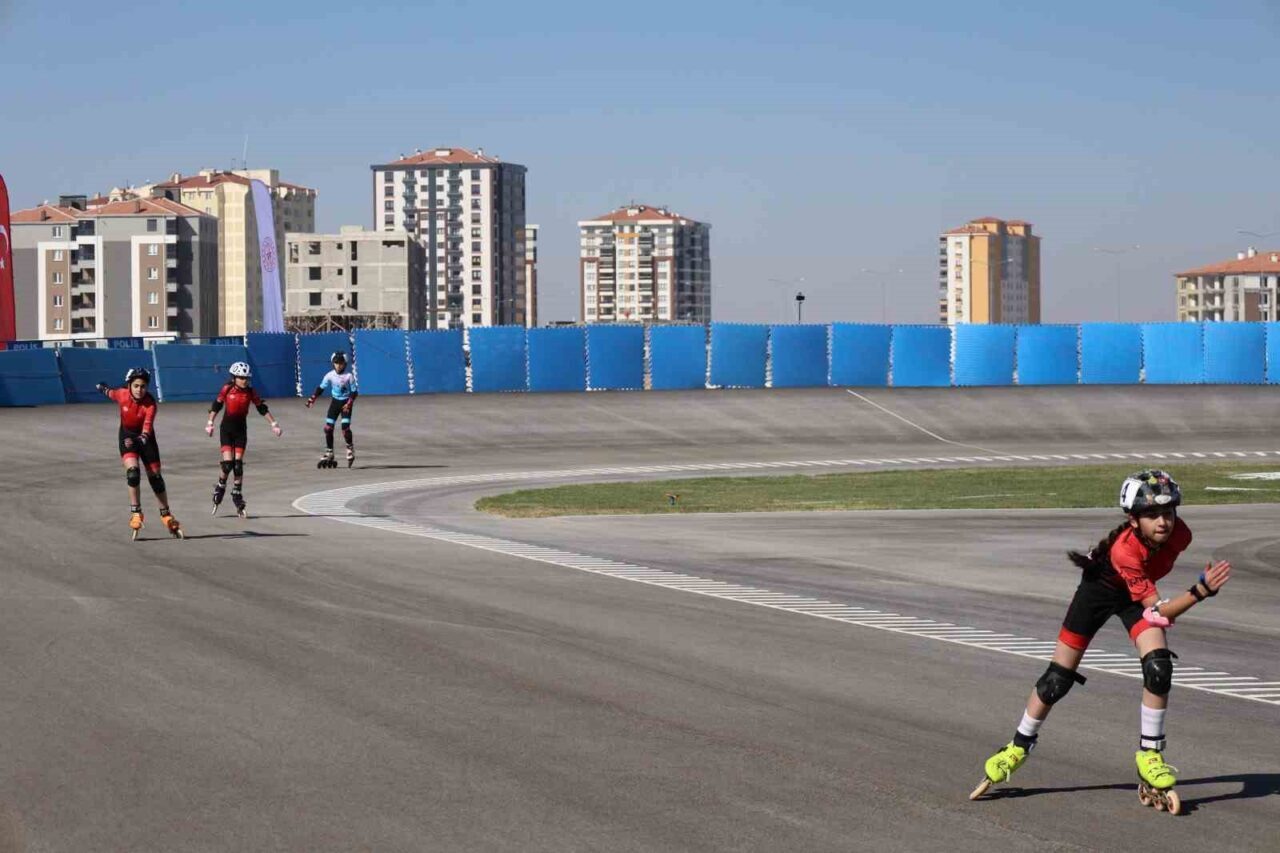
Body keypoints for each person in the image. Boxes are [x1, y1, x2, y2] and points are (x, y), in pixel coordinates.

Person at [971, 470, 1231, 813]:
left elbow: (1151, 606)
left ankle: (1150, 756)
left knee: (1159, 667)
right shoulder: (1125, 551)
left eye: (1168, 513)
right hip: (1099, 591)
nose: (1163, 522)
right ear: (1133, 520)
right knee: (1056, 681)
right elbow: (1159, 613)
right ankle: (1018, 746)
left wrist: (1191, 591)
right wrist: (1200, 591)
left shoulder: (1181, 534)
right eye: (1152, 514)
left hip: (1135, 596)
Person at [95, 366, 183, 540]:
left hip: (145, 439)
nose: (139, 390)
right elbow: (110, 393)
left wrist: (138, 440)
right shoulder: (122, 394)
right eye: (136, 386)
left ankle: (166, 514)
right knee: (133, 474)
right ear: (129, 385)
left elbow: (146, 430)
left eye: (143, 386)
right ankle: (136, 513)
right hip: (126, 436)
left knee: (156, 479)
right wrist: (103, 388)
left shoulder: (150, 404)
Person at [205, 361, 282, 517]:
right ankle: (220, 487)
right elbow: (216, 405)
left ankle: (237, 494)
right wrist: (210, 423)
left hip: (241, 431)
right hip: (226, 430)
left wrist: (274, 424)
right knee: (228, 464)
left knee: (238, 465)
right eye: (241, 377)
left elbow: (261, 408)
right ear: (234, 378)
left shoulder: (251, 392)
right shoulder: (227, 389)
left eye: (247, 378)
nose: (244, 380)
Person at [306, 350, 358, 468]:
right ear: (332, 363)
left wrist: (349, 403)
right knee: (328, 428)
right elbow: (321, 388)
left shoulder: (349, 376)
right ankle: (329, 452)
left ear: (345, 364)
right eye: (336, 363)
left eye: (341, 363)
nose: (338, 365)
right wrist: (312, 399)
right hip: (335, 403)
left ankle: (350, 448)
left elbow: (354, 392)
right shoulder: (329, 375)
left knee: (345, 428)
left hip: (346, 404)